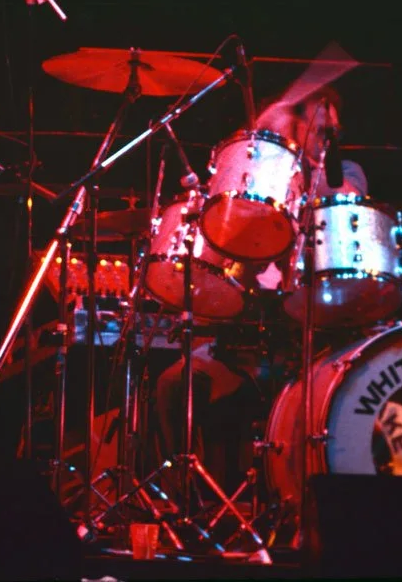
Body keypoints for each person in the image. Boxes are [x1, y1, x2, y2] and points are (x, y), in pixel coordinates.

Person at [152, 85, 367, 492]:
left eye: (334, 132)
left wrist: (300, 184)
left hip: (310, 339)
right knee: (173, 384)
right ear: (297, 126)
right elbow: (229, 270)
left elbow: (348, 202)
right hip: (245, 337)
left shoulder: (345, 171)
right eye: (321, 129)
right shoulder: (263, 178)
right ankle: (192, 502)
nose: (328, 140)